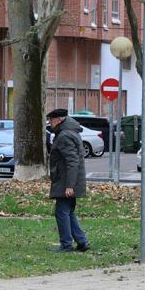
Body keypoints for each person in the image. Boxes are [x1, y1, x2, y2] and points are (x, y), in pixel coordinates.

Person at [47, 107, 90, 252]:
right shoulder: (71, 132)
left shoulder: (64, 135)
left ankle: (66, 244)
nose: (50, 123)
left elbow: (72, 161)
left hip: (66, 181)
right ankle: (82, 241)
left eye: (51, 120)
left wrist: (69, 186)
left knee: (62, 213)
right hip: (67, 180)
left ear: (60, 120)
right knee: (68, 212)